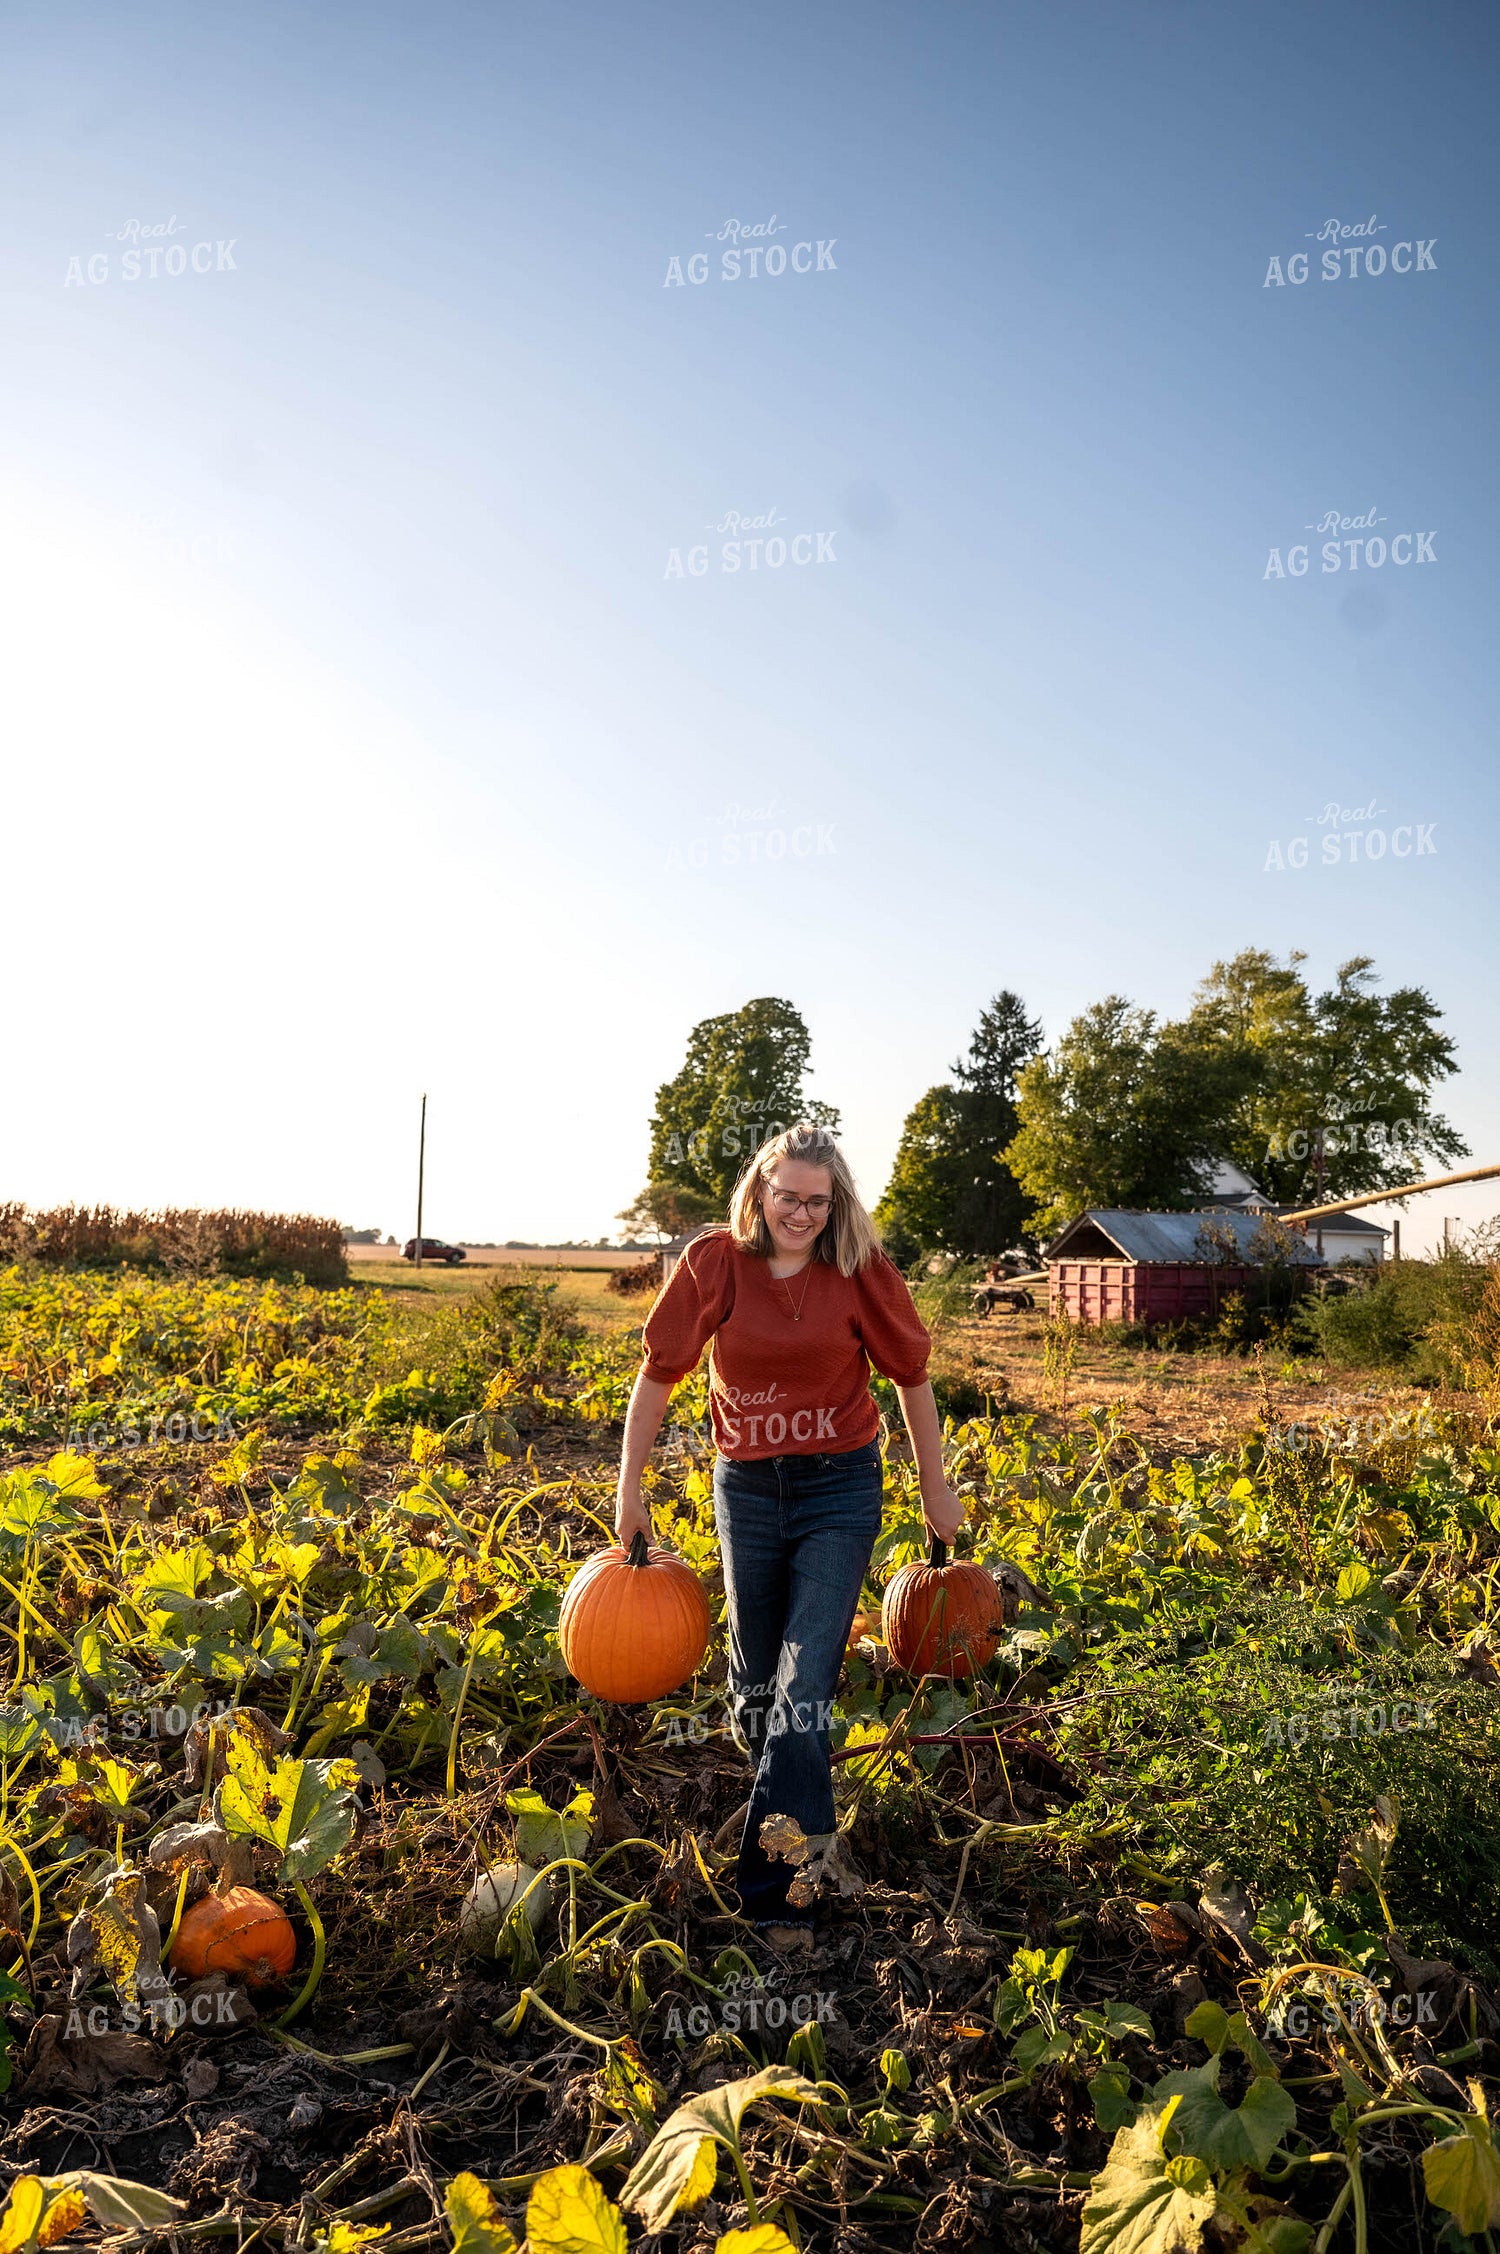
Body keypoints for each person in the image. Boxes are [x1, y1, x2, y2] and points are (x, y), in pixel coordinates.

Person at [614, 1122, 965, 1932]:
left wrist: (934, 1490)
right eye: (787, 1198)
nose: (801, 1214)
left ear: (835, 1201)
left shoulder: (859, 1271)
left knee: (804, 1687)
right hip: (747, 1490)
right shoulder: (716, 1263)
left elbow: (911, 1379)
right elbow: (658, 1375)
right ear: (760, 1192)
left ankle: (782, 1894)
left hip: (839, 1488)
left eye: (817, 1200)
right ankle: (787, 1797)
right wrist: (630, 1490)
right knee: (755, 1688)